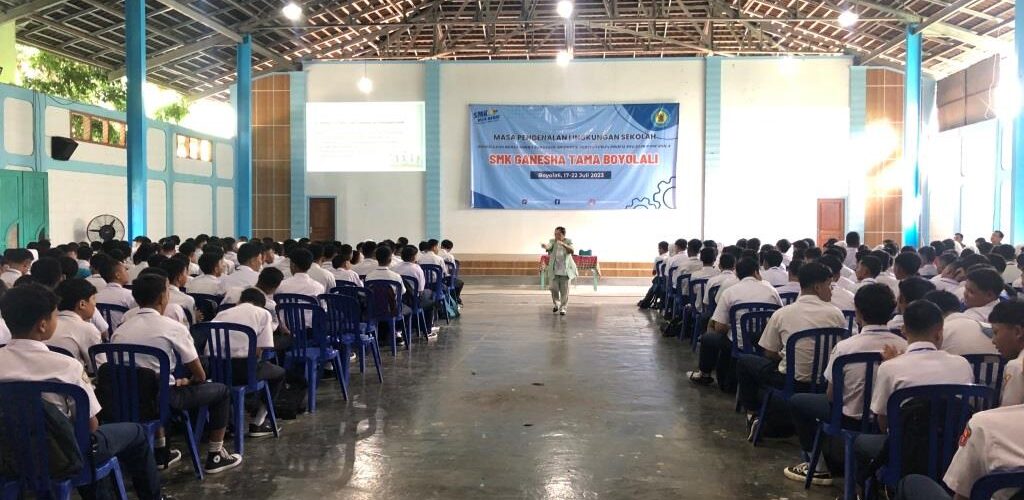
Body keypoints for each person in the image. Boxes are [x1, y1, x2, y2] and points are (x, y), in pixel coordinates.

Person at [0, 284, 164, 500]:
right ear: (42, 325)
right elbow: (91, 425)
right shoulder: (65, 366)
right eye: (54, 316)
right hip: (62, 455)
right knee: (136, 433)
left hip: (8, 454)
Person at [110, 274, 242, 474]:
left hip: (126, 399)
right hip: (163, 399)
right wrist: (189, 380)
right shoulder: (172, 327)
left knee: (154, 382)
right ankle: (215, 455)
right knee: (221, 391)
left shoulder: (120, 330)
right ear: (164, 297)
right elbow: (199, 373)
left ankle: (161, 450)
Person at [784, 283, 907, 486]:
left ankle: (817, 465)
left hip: (848, 419)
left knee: (799, 402)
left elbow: (832, 395)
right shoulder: (903, 346)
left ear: (858, 313)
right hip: (886, 423)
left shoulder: (846, 347)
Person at [853, 300, 975, 479]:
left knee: (861, 442)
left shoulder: (890, 367)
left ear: (903, 330)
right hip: (952, 449)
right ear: (940, 333)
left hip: (906, 450)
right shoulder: (962, 364)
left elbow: (883, 422)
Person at [736, 262, 846, 439]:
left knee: (745, 362)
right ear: (818, 287)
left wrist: (785, 356)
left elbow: (768, 351)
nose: (831, 291)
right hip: (824, 382)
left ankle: (753, 413)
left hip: (791, 381)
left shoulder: (783, 314)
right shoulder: (837, 314)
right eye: (829, 286)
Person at [688, 257, 782, 387]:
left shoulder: (730, 292)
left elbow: (720, 327)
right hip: (767, 344)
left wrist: (736, 328)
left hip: (738, 343)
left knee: (708, 338)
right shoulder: (772, 290)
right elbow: (779, 315)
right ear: (756, 272)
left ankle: (704, 374)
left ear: (737, 274)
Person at [209, 288, 284, 437]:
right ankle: (258, 422)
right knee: (279, 373)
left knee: (229, 385)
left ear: (239, 301)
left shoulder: (221, 314)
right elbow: (260, 350)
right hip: (245, 371)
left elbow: (209, 348)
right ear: (261, 305)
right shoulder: (262, 314)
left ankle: (228, 424)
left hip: (217, 370)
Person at [48, 278, 106, 370]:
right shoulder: (87, 329)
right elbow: (99, 368)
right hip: (72, 381)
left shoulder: (47, 327)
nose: (95, 304)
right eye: (93, 299)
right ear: (82, 304)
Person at [990, 300, 1024, 407]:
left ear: (1017, 332)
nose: (993, 340)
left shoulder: (1017, 366)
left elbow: (1006, 415)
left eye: (996, 332)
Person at [542, 226, 576, 316]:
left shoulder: (568, 241)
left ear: (563, 234)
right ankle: (556, 304)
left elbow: (572, 250)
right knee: (553, 288)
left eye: (558, 234)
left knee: (565, 291)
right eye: (555, 234)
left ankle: (563, 308)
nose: (556, 236)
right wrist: (545, 246)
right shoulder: (552, 241)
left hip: (565, 271)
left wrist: (563, 244)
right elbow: (549, 246)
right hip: (554, 270)